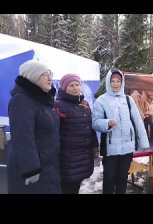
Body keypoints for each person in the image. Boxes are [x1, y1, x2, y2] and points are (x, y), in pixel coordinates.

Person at [7, 60, 61, 194]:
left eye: (50, 74)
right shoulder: (22, 100)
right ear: (32, 77)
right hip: (33, 171)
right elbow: (23, 138)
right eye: (44, 74)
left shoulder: (43, 101)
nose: (50, 78)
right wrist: (31, 169)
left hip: (48, 166)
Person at [92, 68, 150, 194]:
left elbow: (138, 122)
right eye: (113, 81)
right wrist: (107, 123)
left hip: (127, 147)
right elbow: (95, 122)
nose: (115, 84)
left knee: (122, 178)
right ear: (108, 82)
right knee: (109, 178)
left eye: (118, 81)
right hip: (110, 148)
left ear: (122, 82)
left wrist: (144, 142)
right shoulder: (101, 100)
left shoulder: (128, 100)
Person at [55, 73, 99, 194]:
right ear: (64, 88)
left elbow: (90, 127)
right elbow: (55, 132)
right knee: (67, 187)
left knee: (76, 186)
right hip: (68, 157)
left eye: (77, 84)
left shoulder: (84, 103)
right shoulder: (58, 105)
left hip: (83, 155)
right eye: (71, 85)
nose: (75, 88)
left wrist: (94, 145)